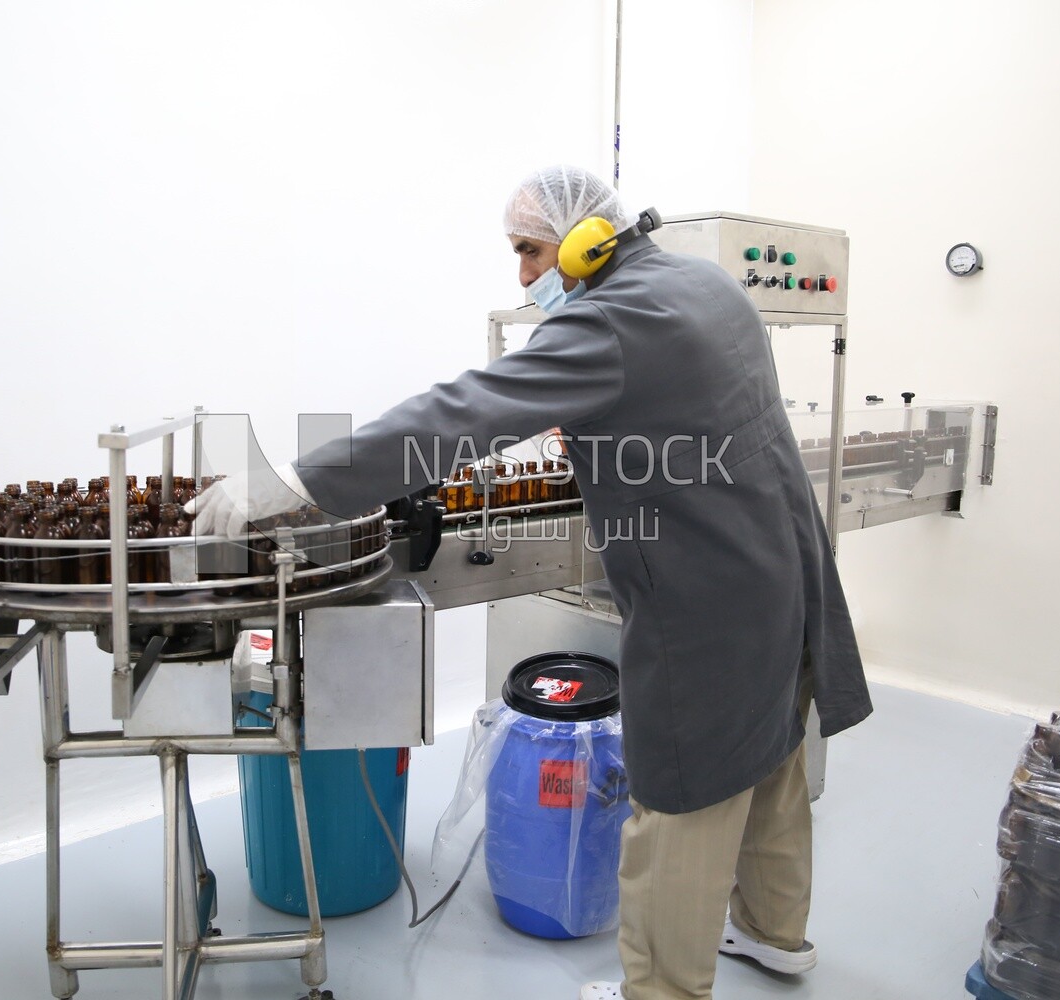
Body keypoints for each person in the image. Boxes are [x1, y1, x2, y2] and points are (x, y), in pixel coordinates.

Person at [186, 165, 872, 1000]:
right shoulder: (704, 282)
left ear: (587, 238)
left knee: (683, 800)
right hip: (785, 570)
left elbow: (463, 411)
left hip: (706, 603)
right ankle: (775, 934)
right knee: (770, 761)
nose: (521, 275)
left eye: (528, 249)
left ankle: (659, 987)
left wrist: (299, 484)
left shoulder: (611, 323)